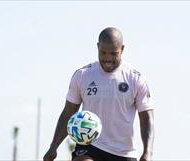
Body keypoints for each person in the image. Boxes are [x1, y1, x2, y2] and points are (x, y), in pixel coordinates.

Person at [43, 27, 154, 161]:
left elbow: (147, 118)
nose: (107, 58)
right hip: (89, 145)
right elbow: (69, 112)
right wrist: (54, 146)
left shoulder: (135, 79)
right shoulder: (83, 75)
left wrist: (148, 152)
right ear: (97, 47)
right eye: (103, 53)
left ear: (122, 49)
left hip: (124, 153)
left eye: (113, 54)